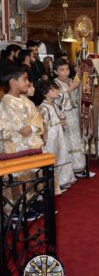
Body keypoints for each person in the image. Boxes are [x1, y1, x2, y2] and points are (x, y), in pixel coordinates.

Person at [0, 66, 45, 219]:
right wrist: (30, 127)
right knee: (16, 178)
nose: (28, 82)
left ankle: (30, 203)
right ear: (13, 82)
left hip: (28, 145)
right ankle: (16, 210)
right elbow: (19, 127)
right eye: (24, 79)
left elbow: (37, 117)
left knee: (29, 175)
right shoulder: (7, 101)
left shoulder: (25, 100)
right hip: (15, 147)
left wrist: (32, 127)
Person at [54, 59, 94, 178]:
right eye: (62, 70)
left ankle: (80, 168)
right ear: (56, 72)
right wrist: (71, 89)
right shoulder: (55, 84)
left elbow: (78, 96)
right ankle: (70, 170)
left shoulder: (71, 81)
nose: (65, 72)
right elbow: (58, 101)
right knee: (68, 142)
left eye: (67, 69)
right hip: (64, 116)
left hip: (75, 115)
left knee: (77, 141)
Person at [37, 80, 76, 194]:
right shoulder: (43, 108)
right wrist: (58, 122)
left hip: (58, 135)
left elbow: (58, 116)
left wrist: (61, 120)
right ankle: (54, 184)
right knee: (53, 157)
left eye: (56, 89)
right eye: (53, 90)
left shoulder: (53, 104)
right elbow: (43, 125)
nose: (56, 91)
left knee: (61, 156)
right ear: (45, 93)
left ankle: (62, 180)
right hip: (51, 138)